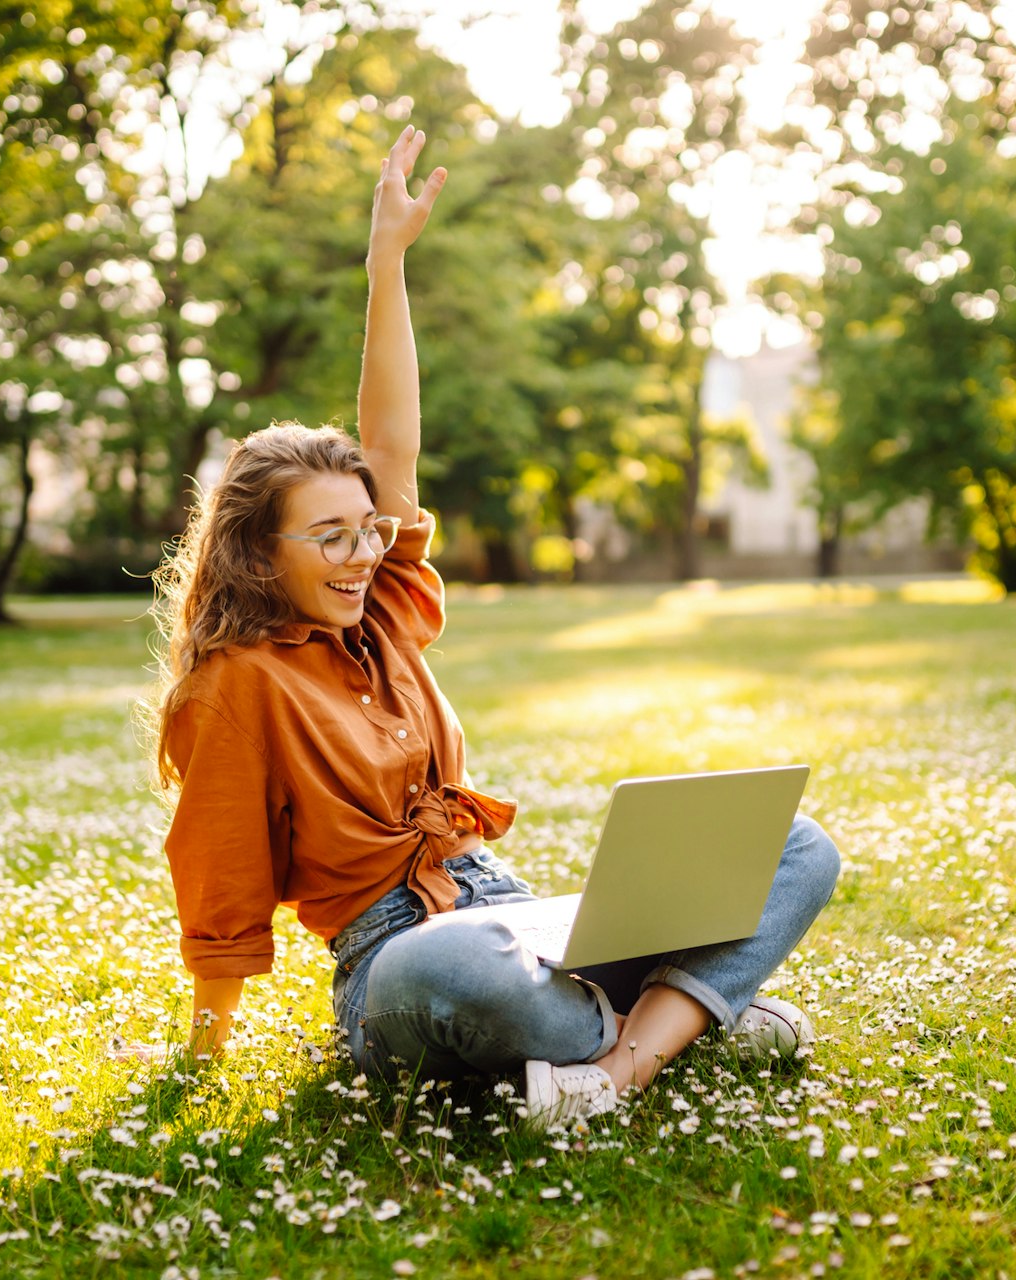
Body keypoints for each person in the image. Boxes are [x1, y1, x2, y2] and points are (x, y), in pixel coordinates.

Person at [146, 124, 842, 1128]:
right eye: (327, 536)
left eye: (367, 528)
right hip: (400, 959)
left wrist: (387, 261)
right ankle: (690, 1013)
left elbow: (391, 440)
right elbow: (219, 884)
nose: (360, 553)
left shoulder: (379, 609)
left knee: (797, 845)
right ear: (260, 551)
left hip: (513, 909)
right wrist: (203, 1062)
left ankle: (616, 1067)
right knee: (476, 972)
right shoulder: (233, 685)